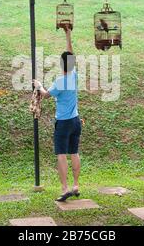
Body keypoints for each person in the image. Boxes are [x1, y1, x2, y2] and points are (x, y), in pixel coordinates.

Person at [33, 26, 82, 202]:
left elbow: (45, 95)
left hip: (63, 123)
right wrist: (68, 35)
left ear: (61, 64)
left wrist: (39, 85)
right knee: (74, 152)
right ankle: (76, 185)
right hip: (76, 121)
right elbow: (70, 53)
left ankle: (64, 189)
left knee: (61, 154)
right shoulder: (74, 75)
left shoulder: (60, 81)